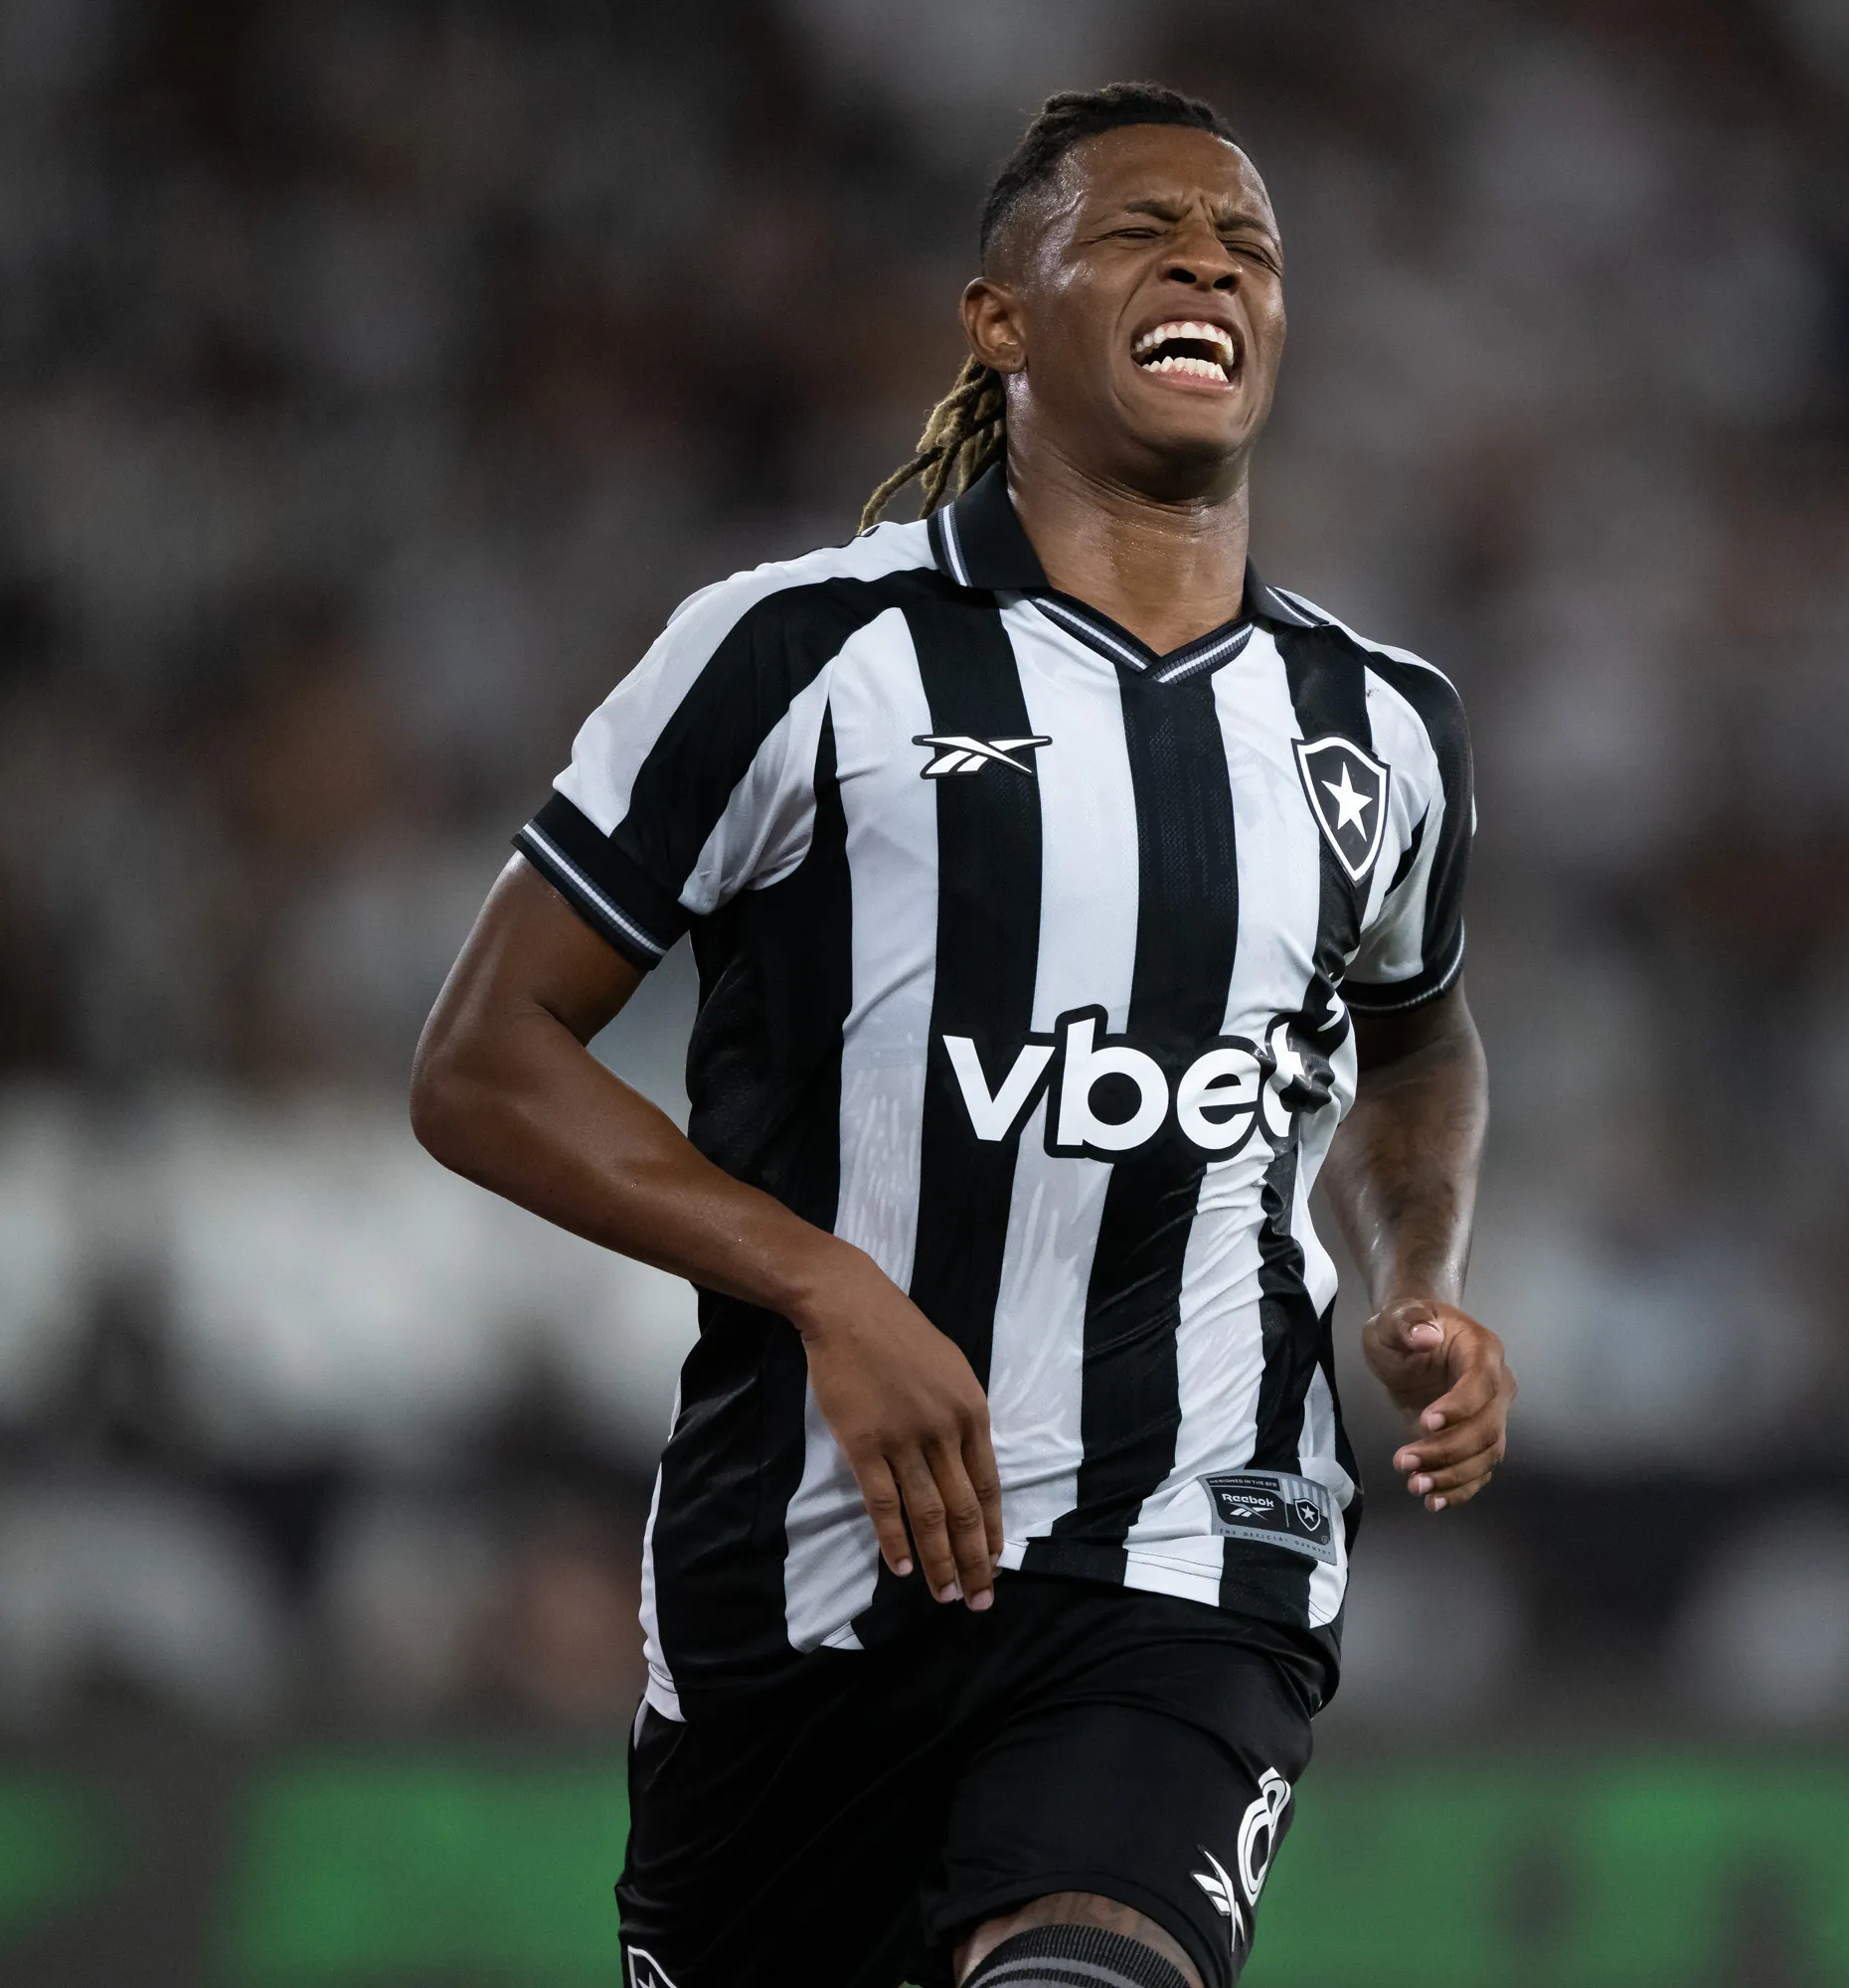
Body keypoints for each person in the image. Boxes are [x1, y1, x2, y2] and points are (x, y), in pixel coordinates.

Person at [410, 82, 1512, 1988]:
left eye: (1248, 246)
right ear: (999, 320)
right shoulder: (795, 656)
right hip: (804, 1592)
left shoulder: (1382, 725)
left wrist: (1409, 1279)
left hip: (1193, 1554)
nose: (1211, 264)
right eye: (1148, 231)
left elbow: (1418, 1041)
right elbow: (482, 1062)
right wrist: (828, 1287)